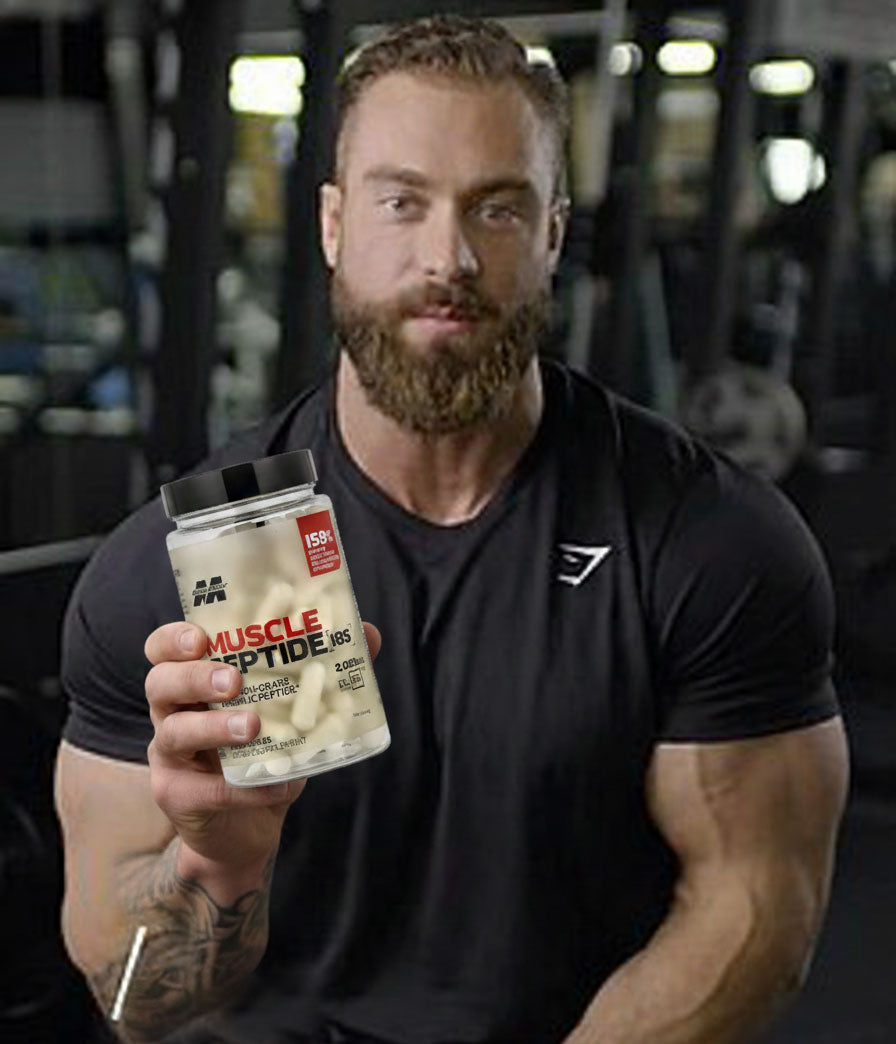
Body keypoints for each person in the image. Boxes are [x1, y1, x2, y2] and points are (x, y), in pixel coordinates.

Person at [54, 15, 849, 1044]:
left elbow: (753, 917)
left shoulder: (703, 542)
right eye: (402, 202)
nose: (448, 257)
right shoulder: (210, 561)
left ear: (553, 232)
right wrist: (221, 861)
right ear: (333, 224)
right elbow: (137, 1003)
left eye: (497, 208)